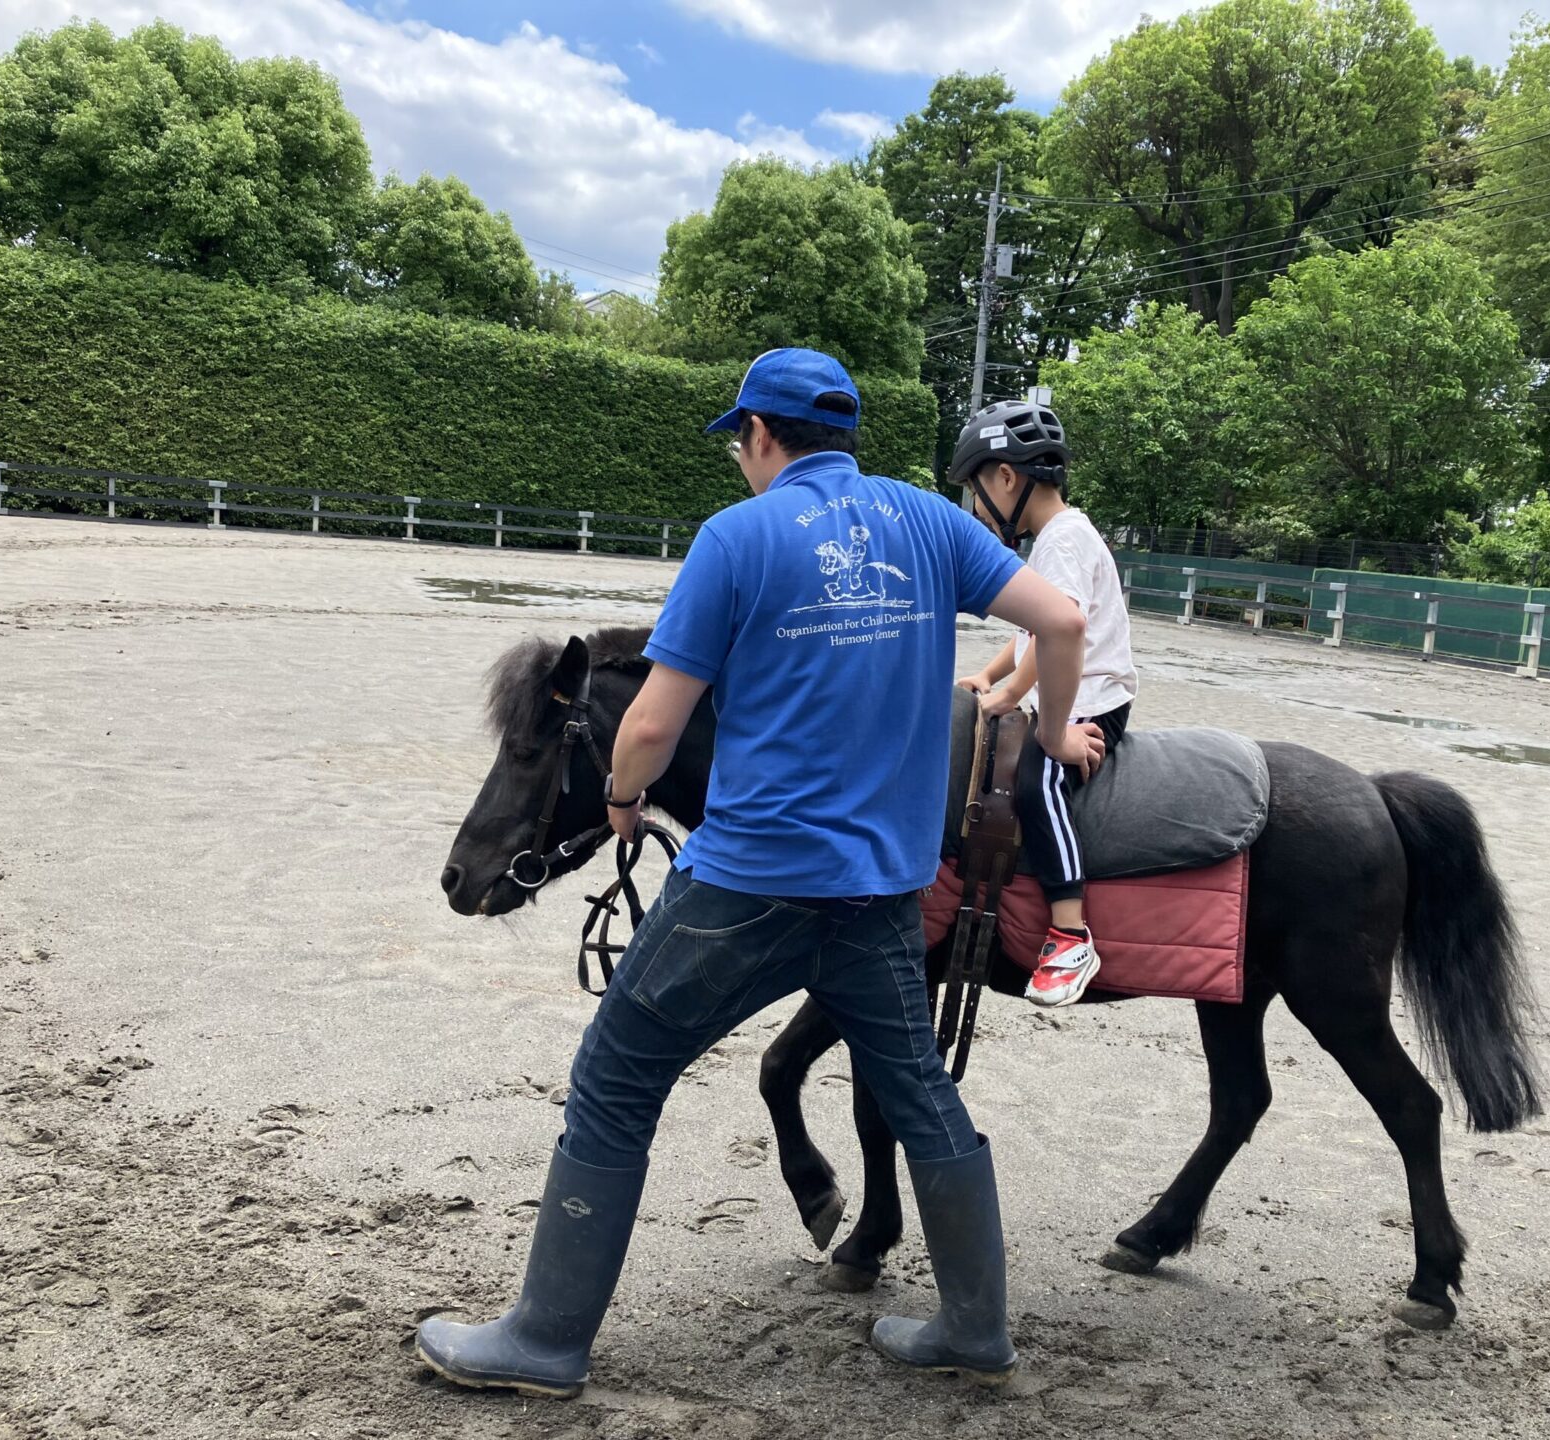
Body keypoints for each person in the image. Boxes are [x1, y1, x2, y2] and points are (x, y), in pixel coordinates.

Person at [415, 349, 1104, 1399]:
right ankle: (975, 1327)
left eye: (741, 441)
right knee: (922, 1096)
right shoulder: (929, 521)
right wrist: (1054, 734)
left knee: (616, 1074)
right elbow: (1060, 621)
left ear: (761, 437)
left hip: (752, 879)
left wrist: (621, 797)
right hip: (882, 887)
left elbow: (648, 724)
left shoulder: (736, 537)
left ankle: (544, 1340)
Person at [950, 399, 1138, 1009]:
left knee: (1038, 778)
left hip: (1093, 696)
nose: (976, 508)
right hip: (1069, 683)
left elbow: (1063, 628)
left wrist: (1009, 695)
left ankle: (1068, 933)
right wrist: (988, 672)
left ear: (1006, 477)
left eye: (976, 490)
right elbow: (1030, 634)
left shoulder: (1059, 542)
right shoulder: (1059, 537)